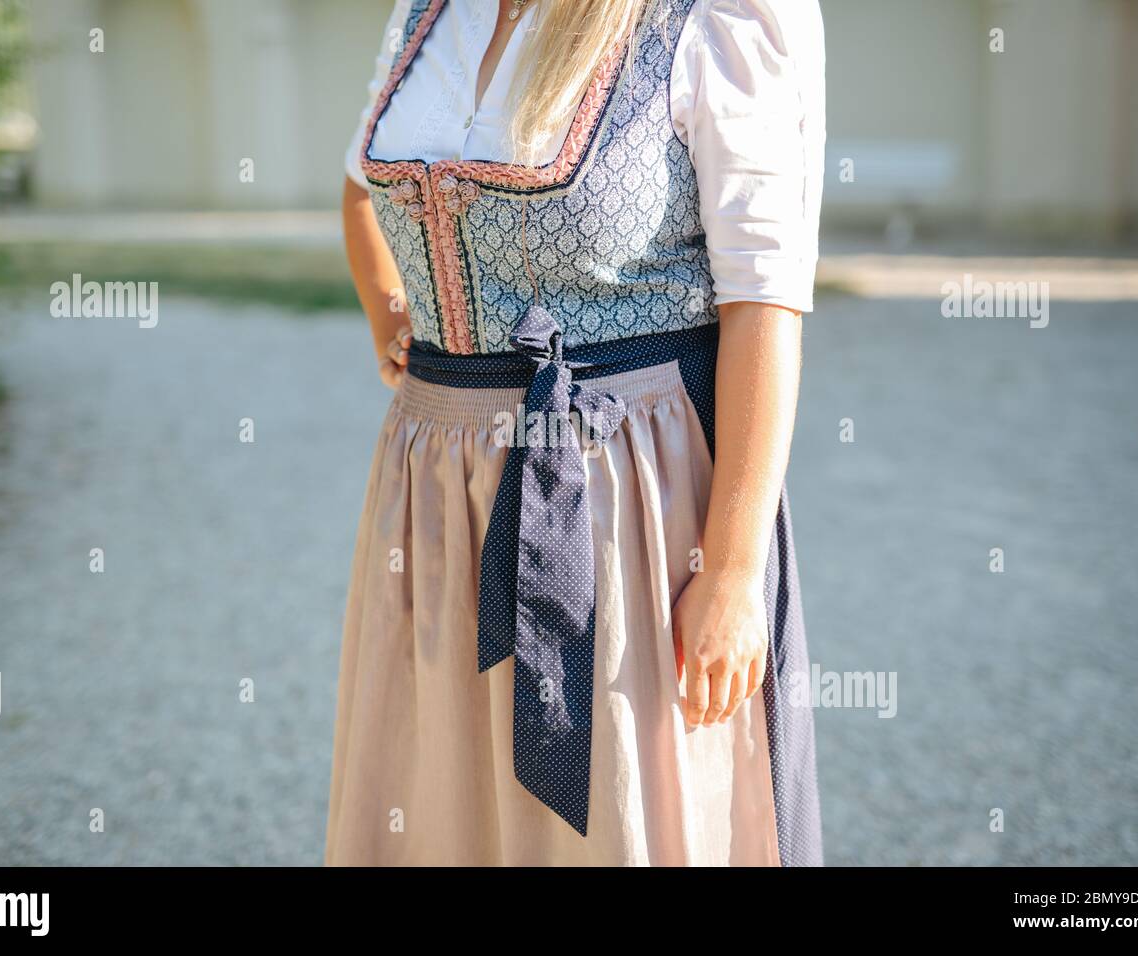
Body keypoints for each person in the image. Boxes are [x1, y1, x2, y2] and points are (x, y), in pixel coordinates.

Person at [325, 0, 825, 866]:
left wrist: (736, 571)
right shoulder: (428, 11)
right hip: (434, 485)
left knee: (617, 805)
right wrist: (397, 322)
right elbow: (360, 189)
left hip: (622, 496)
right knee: (442, 790)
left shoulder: (711, 16)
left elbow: (765, 300)